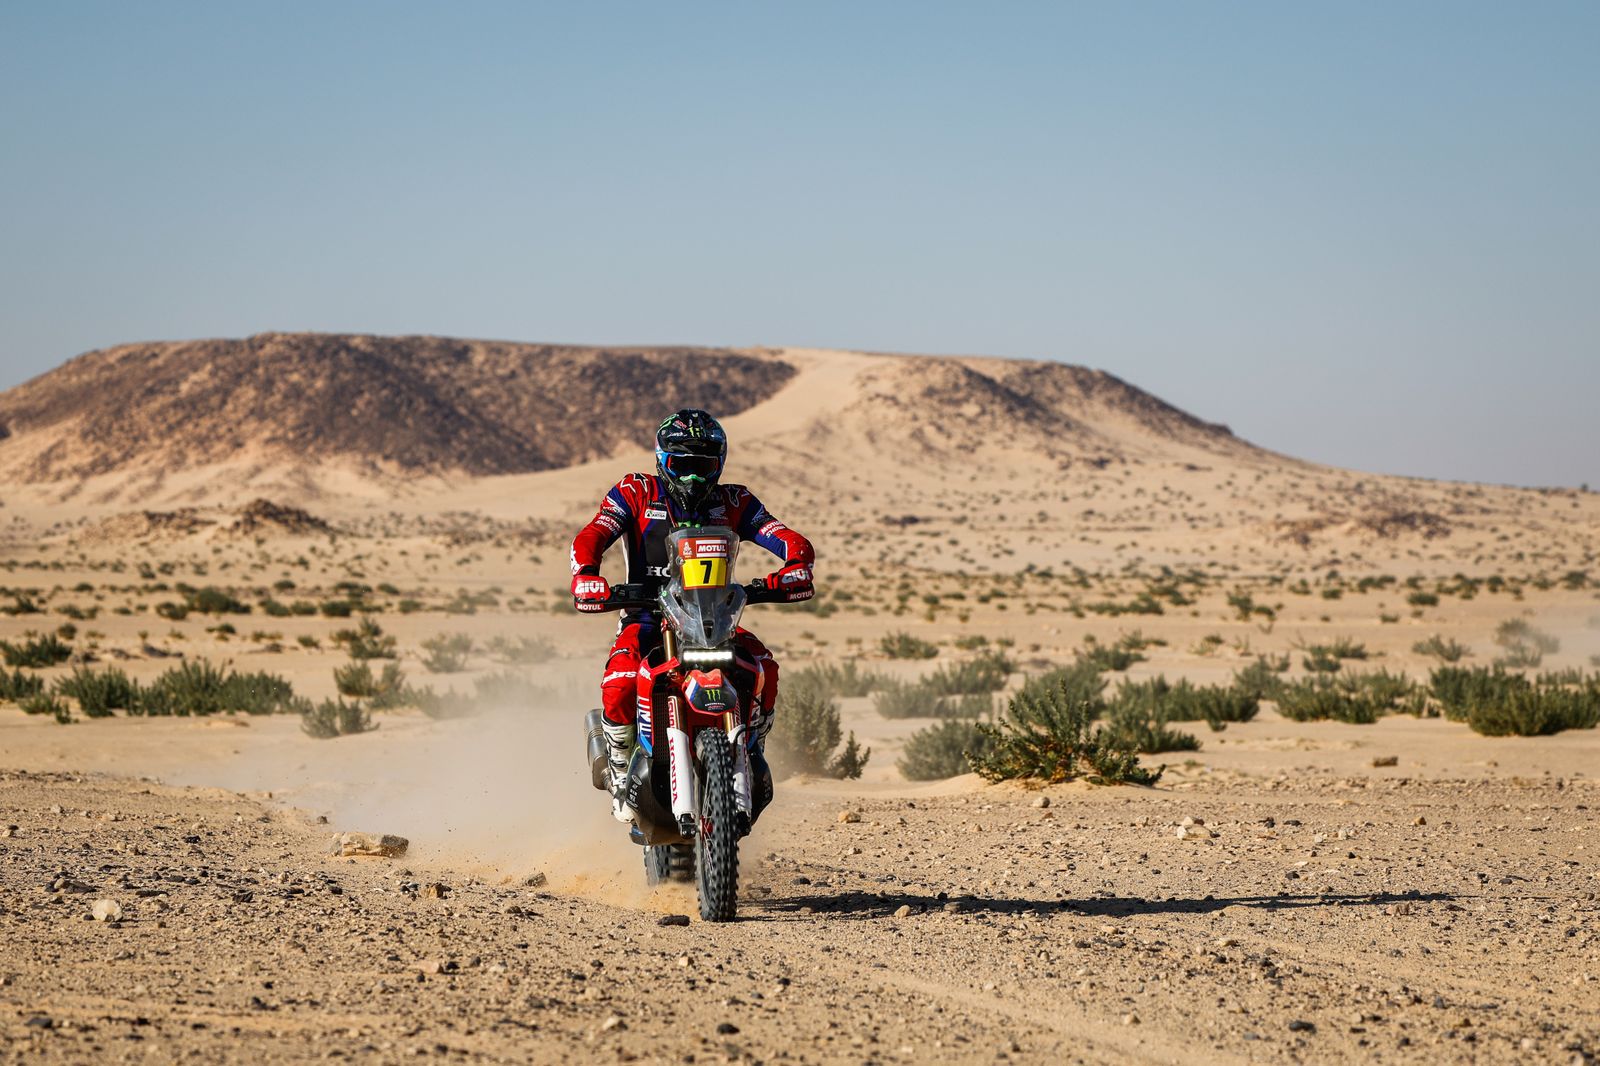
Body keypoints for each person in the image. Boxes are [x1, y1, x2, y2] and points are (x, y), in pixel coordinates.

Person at [570, 408, 814, 822]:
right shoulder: (635, 492)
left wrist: (795, 565)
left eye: (703, 467)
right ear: (663, 461)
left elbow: (783, 536)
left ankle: (751, 744)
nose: (694, 479)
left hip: (713, 615)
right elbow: (593, 533)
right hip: (648, 615)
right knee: (621, 680)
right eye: (683, 466)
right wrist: (587, 575)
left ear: (718, 465)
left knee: (763, 668)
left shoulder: (735, 501)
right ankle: (618, 765)